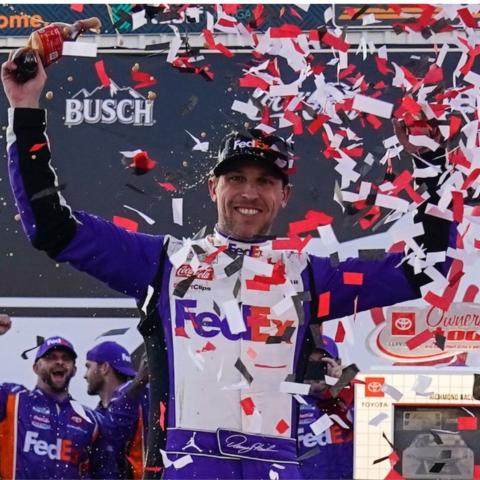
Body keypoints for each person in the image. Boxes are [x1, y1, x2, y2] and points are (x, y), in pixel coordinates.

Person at [1, 52, 453, 479]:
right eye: (236, 178)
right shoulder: (164, 263)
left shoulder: (308, 276)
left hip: (275, 466)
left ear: (285, 195)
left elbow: (424, 269)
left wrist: (434, 166)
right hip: (188, 463)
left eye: (265, 181)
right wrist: (25, 106)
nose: (249, 193)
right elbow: (51, 227)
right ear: (213, 187)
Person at [0, 329, 115, 479]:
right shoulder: (12, 398)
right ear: (35, 367)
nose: (59, 362)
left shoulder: (91, 420)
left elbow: (107, 474)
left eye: (66, 358)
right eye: (50, 357)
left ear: (73, 370)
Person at [85, 341, 149, 479]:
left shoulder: (143, 395)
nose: (85, 375)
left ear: (104, 368)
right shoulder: (101, 412)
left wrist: (138, 385)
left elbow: (116, 433)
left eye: (88, 367)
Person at [298, 335, 353, 479]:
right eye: (309, 362)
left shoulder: (352, 396)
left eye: (322, 364)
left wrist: (343, 385)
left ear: (337, 364)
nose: (316, 369)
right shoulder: (287, 401)